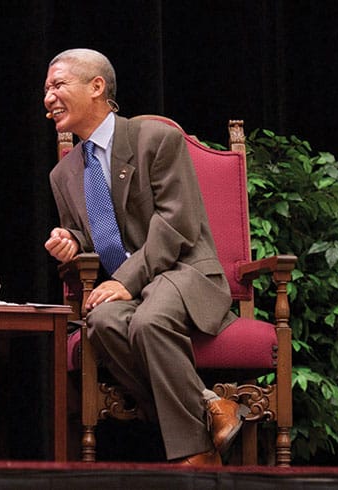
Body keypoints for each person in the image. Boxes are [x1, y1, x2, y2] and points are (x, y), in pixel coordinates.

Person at [43, 49, 243, 465]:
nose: (48, 97)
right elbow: (90, 232)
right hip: (132, 289)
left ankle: (198, 455)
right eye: (46, 90)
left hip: (183, 271)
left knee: (150, 321)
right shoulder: (62, 175)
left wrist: (125, 281)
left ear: (97, 86)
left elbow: (177, 225)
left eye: (58, 85)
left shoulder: (154, 139)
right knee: (101, 321)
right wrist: (71, 242)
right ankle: (209, 405)